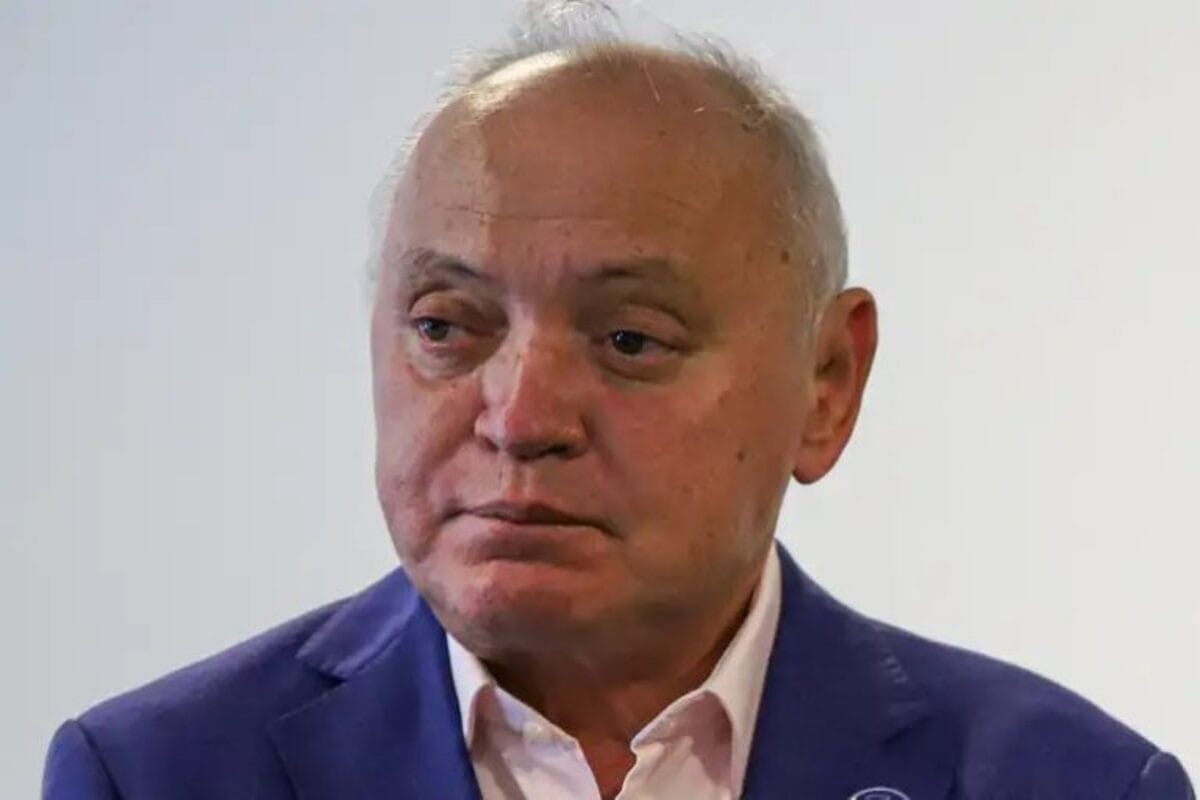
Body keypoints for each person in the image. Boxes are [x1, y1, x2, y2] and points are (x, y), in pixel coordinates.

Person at [42, 2, 1194, 798]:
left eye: (630, 338)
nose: (520, 417)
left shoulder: (1065, 781)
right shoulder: (158, 773)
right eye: (446, 327)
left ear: (827, 385)